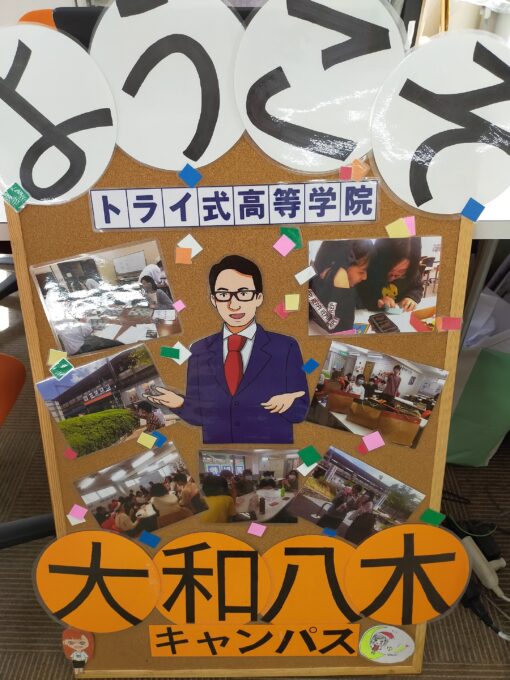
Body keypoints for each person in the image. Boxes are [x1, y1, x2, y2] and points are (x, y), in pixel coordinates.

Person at [143, 255, 309, 444]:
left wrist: (290, 403)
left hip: (269, 450)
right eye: (223, 295)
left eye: (244, 293)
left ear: (258, 298)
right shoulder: (199, 350)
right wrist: (179, 402)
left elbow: (301, 411)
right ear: (214, 300)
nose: (234, 304)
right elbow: (199, 417)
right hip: (218, 454)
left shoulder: (285, 347)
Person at [308, 239, 374, 333]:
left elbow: (359, 302)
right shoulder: (308, 275)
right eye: (361, 272)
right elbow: (344, 328)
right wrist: (340, 281)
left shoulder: (348, 284)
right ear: (343, 266)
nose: (365, 277)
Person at [358, 237, 424, 312]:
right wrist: (377, 302)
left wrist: (412, 297)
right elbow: (361, 296)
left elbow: (417, 287)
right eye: (389, 270)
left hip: (401, 314)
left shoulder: (411, 271)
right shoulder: (368, 269)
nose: (392, 277)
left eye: (401, 272)